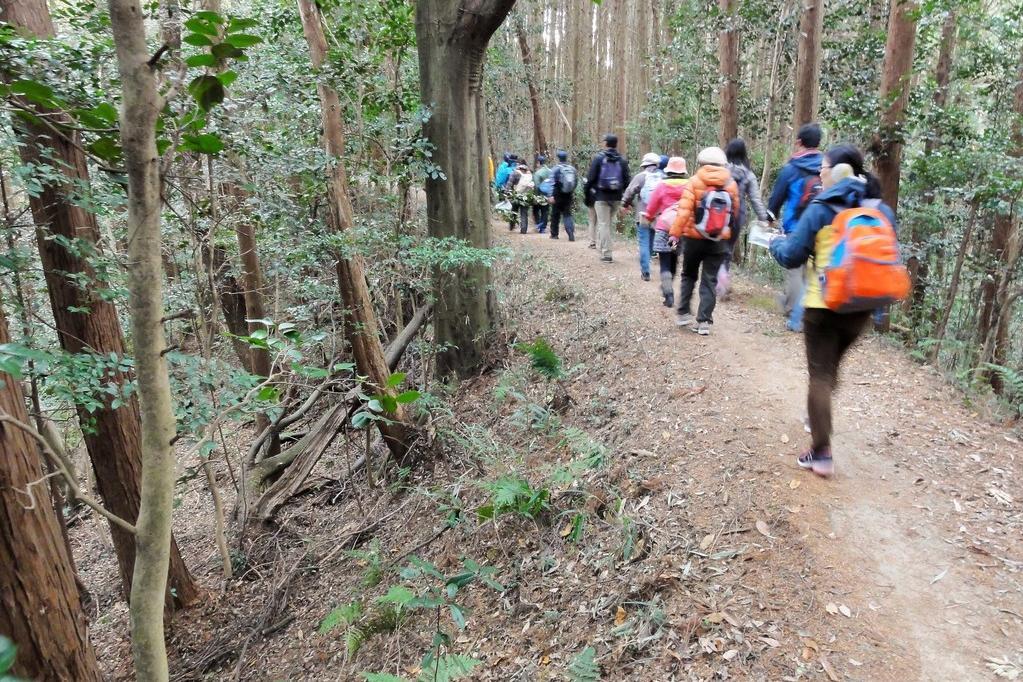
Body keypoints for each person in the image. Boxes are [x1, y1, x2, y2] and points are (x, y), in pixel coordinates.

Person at [768, 145, 896, 477]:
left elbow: (792, 255)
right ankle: (817, 415)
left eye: (823, 167)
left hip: (824, 305)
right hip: (862, 307)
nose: (819, 172)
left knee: (820, 376)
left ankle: (821, 451)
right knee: (831, 369)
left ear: (834, 171)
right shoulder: (879, 208)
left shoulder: (822, 206)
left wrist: (774, 244)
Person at [667, 147, 740, 335]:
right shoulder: (731, 184)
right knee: (710, 280)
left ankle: (683, 313)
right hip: (718, 241)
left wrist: (674, 234)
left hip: (693, 238)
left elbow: (683, 211)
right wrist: (729, 237)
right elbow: (735, 215)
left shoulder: (694, 181)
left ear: (702, 163)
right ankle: (704, 322)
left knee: (689, 274)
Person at [769, 123, 823, 332]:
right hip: (822, 226)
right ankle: (811, 311)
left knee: (795, 269)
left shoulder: (791, 168)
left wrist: (770, 216)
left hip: (796, 226)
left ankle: (794, 313)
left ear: (799, 142)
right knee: (815, 271)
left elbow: (777, 198)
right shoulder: (826, 167)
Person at [642, 156, 688, 307]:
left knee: (665, 262)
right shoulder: (689, 186)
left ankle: (668, 293)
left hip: (663, 228)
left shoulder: (662, 185)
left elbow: (652, 207)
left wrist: (648, 218)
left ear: (668, 170)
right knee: (674, 259)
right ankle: (668, 286)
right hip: (681, 230)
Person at [724, 139, 769, 278]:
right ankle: (722, 280)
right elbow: (755, 199)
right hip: (737, 215)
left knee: (714, 246)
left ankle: (711, 278)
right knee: (728, 249)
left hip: (716, 212)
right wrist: (764, 218)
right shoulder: (748, 175)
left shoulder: (721, 169)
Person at [586, 134, 631, 263]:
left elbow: (590, 179)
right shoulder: (622, 160)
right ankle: (602, 247)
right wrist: (627, 201)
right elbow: (627, 180)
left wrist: (588, 195)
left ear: (606, 144)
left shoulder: (599, 159)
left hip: (601, 197)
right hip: (616, 197)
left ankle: (606, 254)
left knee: (603, 224)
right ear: (616, 144)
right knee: (607, 223)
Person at [623, 152, 664, 281]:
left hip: (643, 214)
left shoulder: (641, 177)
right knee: (651, 241)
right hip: (659, 215)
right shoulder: (664, 177)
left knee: (643, 242)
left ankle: (645, 271)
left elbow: (629, 191)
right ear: (657, 164)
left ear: (645, 164)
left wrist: (625, 203)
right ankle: (648, 263)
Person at [549, 150, 578, 241]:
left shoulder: (555, 169)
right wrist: (571, 190)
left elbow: (551, 182)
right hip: (568, 194)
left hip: (557, 193)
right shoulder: (572, 169)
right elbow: (576, 182)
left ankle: (554, 234)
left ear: (559, 158)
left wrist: (551, 195)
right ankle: (570, 234)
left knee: (555, 214)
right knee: (567, 214)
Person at [510, 164, 534, 234]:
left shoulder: (514, 174)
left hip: (515, 195)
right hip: (525, 197)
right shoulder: (529, 176)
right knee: (524, 213)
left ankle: (512, 226)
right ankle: (524, 229)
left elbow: (509, 183)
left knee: (514, 211)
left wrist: (507, 192)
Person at [533, 155, 553, 233]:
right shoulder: (550, 171)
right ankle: (543, 228)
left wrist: (535, 197)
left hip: (539, 195)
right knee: (545, 211)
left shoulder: (538, 173)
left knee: (536, 210)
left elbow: (536, 185)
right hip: (548, 195)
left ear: (538, 162)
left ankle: (539, 225)